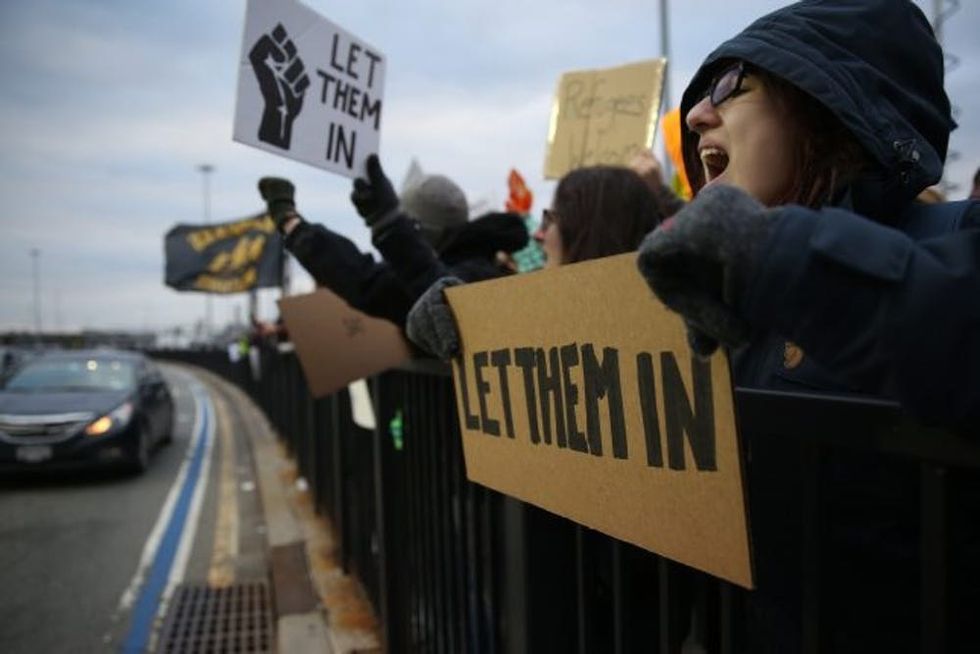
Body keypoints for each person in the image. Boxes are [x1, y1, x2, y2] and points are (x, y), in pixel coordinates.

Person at [631, 0, 979, 650]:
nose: (699, 112)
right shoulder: (726, 305)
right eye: (701, 94)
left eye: (733, 85)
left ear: (828, 106)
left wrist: (781, 259)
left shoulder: (955, 238)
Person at [406, 165, 665, 357]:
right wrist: (453, 308)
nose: (538, 235)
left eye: (551, 220)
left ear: (590, 233)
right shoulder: (534, 321)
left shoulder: (669, 331)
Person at [259, 155, 528, 327]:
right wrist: (294, 226)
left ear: (421, 232)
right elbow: (366, 280)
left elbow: (447, 304)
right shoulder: (480, 263)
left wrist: (390, 226)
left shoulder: (478, 277)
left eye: (409, 226)